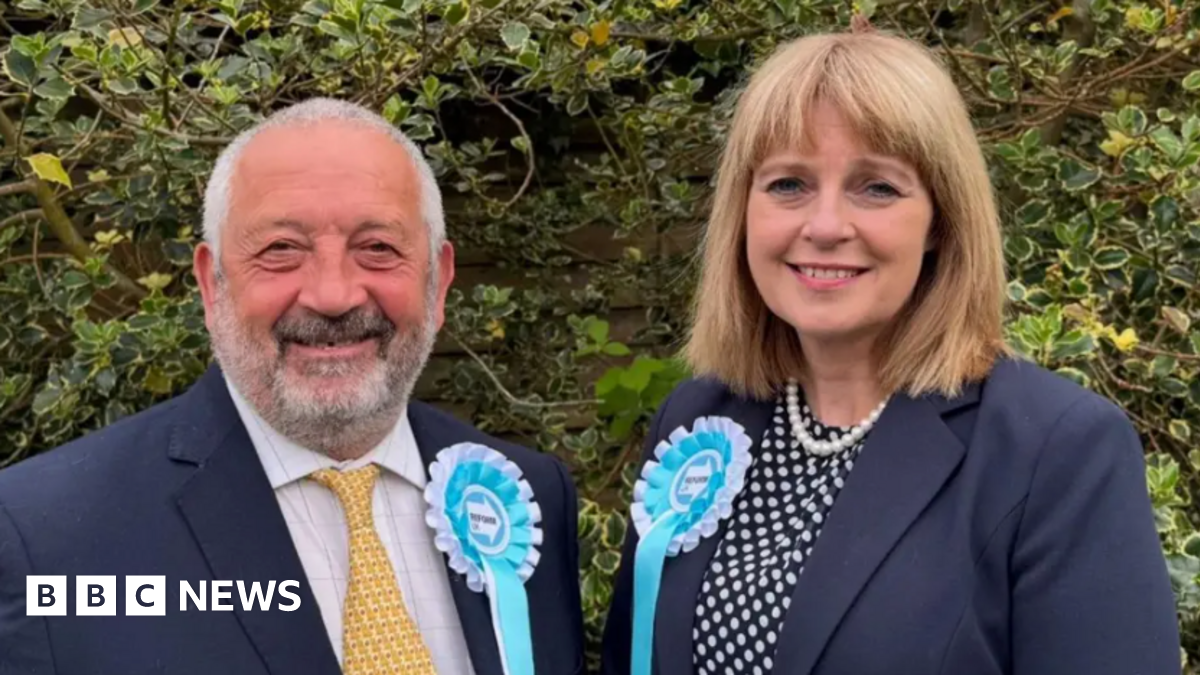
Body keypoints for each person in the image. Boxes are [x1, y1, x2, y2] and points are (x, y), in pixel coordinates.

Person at [600, 27, 1180, 675]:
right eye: (788, 183)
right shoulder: (697, 421)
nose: (823, 226)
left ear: (940, 221)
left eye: (876, 187)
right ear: (742, 210)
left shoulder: (1057, 450)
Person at [0, 98, 584, 675]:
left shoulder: (527, 499)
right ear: (211, 284)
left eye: (378, 248)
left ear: (439, 283)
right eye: (281, 250)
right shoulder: (42, 534)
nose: (333, 295)